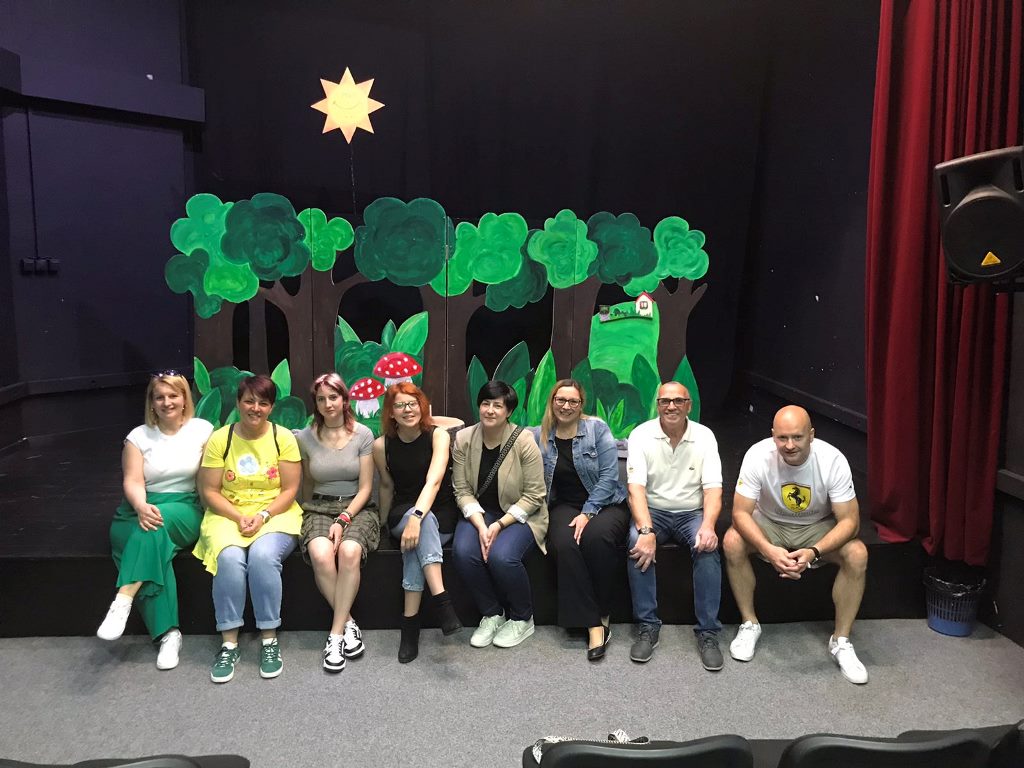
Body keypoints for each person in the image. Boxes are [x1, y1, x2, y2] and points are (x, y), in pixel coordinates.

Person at [722, 405, 869, 684]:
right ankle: (750, 623)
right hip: (770, 523)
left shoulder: (832, 460)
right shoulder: (757, 455)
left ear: (811, 435)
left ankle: (841, 640)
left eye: (797, 437)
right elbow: (740, 513)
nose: (789, 445)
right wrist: (767, 549)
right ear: (773, 436)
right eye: (782, 438)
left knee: (857, 554)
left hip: (817, 527)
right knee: (732, 541)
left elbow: (851, 521)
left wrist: (815, 551)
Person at [96, 371, 213, 670]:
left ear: (185, 398)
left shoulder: (203, 430)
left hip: (183, 505)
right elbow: (133, 480)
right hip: (138, 507)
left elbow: (210, 477)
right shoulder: (137, 437)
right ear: (151, 402)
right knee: (151, 540)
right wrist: (140, 505)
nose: (166, 402)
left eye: (173, 395)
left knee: (152, 529)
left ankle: (123, 600)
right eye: (159, 397)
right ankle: (169, 635)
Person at [194, 374, 302, 683]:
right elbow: (210, 491)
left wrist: (263, 515)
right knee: (228, 558)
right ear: (239, 403)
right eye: (249, 401)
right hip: (227, 512)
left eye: (263, 403)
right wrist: (238, 516)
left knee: (263, 556)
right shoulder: (220, 439)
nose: (255, 408)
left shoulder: (283, 438)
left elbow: (290, 489)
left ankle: (269, 638)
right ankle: (229, 643)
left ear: (271, 407)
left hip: (275, 512)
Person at [625, 381, 724, 670]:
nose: (671, 406)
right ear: (657, 405)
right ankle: (647, 626)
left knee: (708, 547)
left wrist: (708, 526)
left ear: (688, 405)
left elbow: (713, 489)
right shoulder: (641, 434)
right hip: (653, 510)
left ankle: (708, 632)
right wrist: (646, 531)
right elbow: (635, 489)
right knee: (636, 544)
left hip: (691, 512)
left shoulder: (704, 436)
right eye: (665, 401)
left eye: (678, 401)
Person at [530, 379, 629, 661]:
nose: (566, 406)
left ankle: (604, 611)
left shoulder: (597, 429)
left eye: (573, 401)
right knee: (564, 544)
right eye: (561, 400)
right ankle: (594, 623)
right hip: (563, 505)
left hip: (607, 502)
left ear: (581, 405)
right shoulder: (539, 435)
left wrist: (588, 512)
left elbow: (609, 477)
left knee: (597, 538)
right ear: (552, 401)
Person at [452, 380, 548, 649]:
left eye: (498, 405)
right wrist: (482, 526)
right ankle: (492, 613)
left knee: (502, 556)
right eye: (486, 403)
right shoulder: (463, 439)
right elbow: (461, 490)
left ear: (509, 411)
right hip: (480, 513)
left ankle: (522, 618)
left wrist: (498, 525)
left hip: (520, 514)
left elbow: (535, 495)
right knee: (463, 551)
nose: (490, 410)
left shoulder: (524, 440)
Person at [294, 372, 379, 673]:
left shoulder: (363, 434)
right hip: (318, 506)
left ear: (344, 399)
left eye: (333, 397)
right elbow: (306, 483)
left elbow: (366, 487)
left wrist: (344, 519)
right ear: (315, 404)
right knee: (320, 554)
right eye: (321, 399)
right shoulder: (304, 438)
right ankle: (349, 623)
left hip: (356, 507)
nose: (328, 404)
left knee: (349, 552)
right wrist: (303, 512)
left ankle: (335, 635)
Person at [372, 382, 463, 663]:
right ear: (391, 412)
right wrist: (384, 525)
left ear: (422, 407)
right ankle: (442, 601)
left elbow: (434, 481)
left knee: (422, 531)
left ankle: (409, 626)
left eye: (412, 403)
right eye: (399, 405)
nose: (407, 409)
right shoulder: (381, 445)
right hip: (402, 513)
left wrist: (417, 517)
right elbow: (386, 486)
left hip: (440, 513)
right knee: (422, 525)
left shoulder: (438, 436)